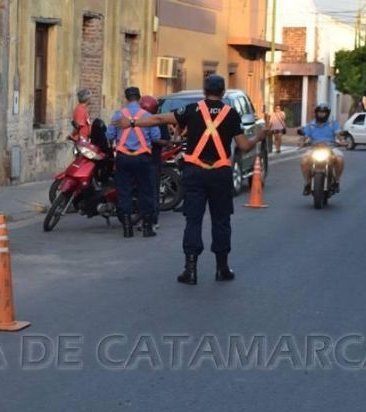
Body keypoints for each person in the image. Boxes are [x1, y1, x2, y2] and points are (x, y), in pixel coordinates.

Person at [116, 75, 264, 284]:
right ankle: (222, 268)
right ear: (222, 92)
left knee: (193, 220)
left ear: (204, 91)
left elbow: (159, 119)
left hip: (195, 172)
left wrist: (131, 122)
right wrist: (258, 136)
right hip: (220, 174)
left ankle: (190, 270)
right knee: (221, 221)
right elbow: (244, 146)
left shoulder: (192, 110)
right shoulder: (231, 114)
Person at [106, 87, 161, 238]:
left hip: (123, 158)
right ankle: (147, 228)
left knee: (124, 192)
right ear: (139, 98)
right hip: (143, 158)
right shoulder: (147, 115)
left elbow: (109, 134)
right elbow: (156, 137)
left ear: (126, 98)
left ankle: (127, 229)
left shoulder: (118, 115)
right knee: (146, 192)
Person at [299, 103, 345, 196]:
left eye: (323, 113)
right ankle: (307, 183)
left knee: (340, 159)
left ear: (327, 114)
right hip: (314, 148)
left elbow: (339, 135)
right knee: (304, 161)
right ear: (316, 113)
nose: (321, 114)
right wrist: (301, 142)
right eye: (320, 112)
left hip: (331, 147)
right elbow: (304, 136)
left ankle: (337, 181)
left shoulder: (333, 124)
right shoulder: (310, 125)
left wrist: (342, 140)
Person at [139, 95, 171, 227]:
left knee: (150, 190)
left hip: (149, 160)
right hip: (145, 160)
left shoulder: (158, 122)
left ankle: (151, 219)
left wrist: (152, 140)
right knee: (146, 190)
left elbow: (165, 141)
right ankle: (146, 218)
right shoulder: (139, 121)